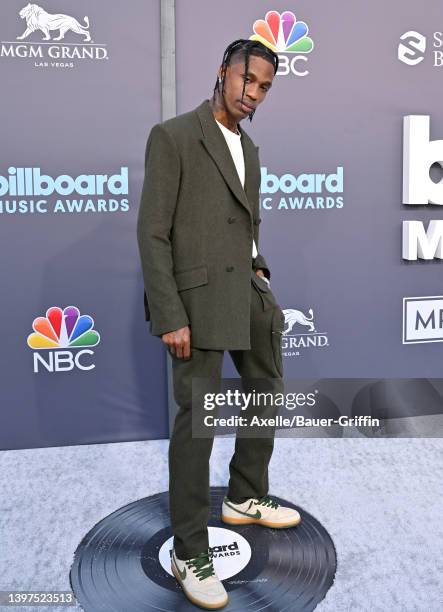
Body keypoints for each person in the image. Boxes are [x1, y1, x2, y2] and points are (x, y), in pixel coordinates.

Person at [137, 38, 301, 610]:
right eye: (247, 80)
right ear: (223, 71)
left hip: (247, 297)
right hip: (196, 305)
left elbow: (245, 224)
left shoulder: (250, 149)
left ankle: (245, 495)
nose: (252, 94)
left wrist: (262, 274)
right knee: (197, 426)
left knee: (266, 396)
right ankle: (189, 549)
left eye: (263, 88)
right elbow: (153, 233)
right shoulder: (175, 136)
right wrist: (170, 314)